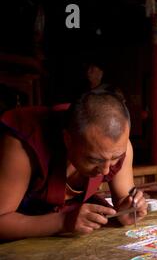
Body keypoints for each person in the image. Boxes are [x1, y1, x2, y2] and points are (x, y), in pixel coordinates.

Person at [0, 91, 148, 240]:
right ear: (68, 139)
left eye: (116, 158)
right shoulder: (22, 145)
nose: (105, 170)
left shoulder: (119, 148)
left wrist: (128, 211)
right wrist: (63, 221)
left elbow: (124, 200)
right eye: (95, 160)